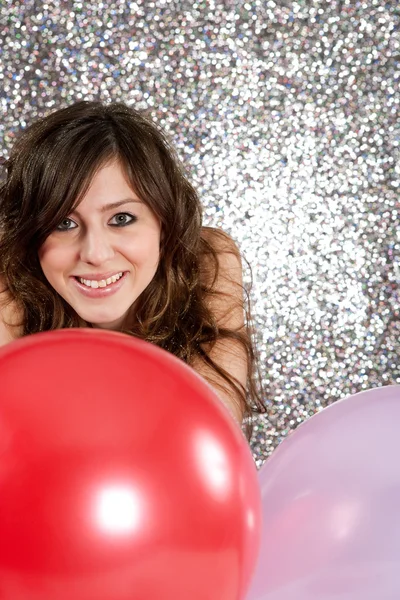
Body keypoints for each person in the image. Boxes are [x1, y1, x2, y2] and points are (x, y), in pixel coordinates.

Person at [0, 101, 265, 436]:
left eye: (121, 219)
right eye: (63, 223)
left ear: (165, 223)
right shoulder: (11, 279)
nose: (95, 253)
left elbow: (212, 430)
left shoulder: (206, 259)